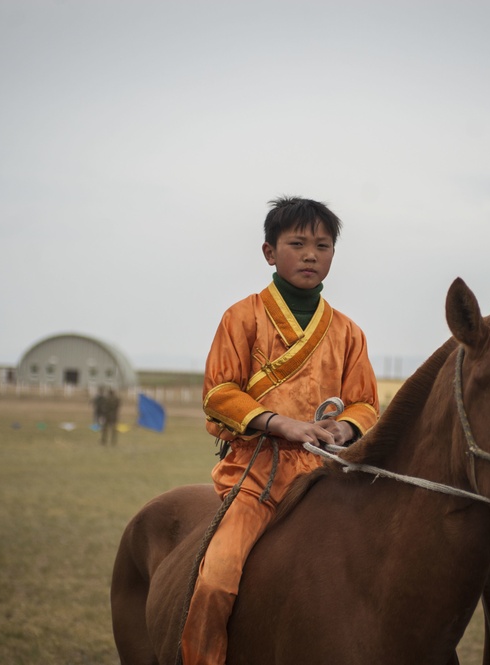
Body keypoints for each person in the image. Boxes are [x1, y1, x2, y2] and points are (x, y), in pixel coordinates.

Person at [180, 196, 380, 664]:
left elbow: (367, 404)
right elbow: (218, 393)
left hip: (326, 478)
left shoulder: (349, 332)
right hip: (256, 477)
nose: (311, 254)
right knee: (215, 582)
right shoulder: (241, 317)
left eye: (323, 245)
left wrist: (342, 431)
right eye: (297, 243)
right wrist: (281, 424)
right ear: (270, 252)